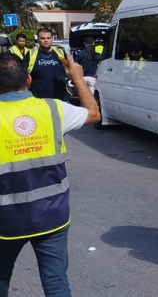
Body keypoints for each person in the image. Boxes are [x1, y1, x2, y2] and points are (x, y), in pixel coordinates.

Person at [0, 52, 101, 297]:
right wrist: (77, 78)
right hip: (52, 215)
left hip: (6, 220)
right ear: (29, 80)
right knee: (55, 282)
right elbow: (94, 113)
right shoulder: (53, 109)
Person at [26, 28, 69, 101]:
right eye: (42, 38)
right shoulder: (31, 54)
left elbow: (69, 70)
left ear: (52, 38)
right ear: (38, 39)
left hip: (61, 98)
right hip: (39, 99)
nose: (46, 40)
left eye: (48, 38)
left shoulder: (60, 52)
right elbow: (23, 74)